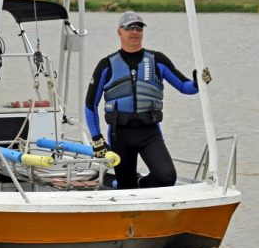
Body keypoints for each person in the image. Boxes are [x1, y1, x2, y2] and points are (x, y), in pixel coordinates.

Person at [84, 11, 211, 189]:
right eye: (129, 28)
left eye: (138, 27)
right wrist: (97, 139)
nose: (134, 32)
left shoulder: (157, 60)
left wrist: (199, 82)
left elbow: (185, 87)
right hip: (119, 134)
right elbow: (90, 104)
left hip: (149, 133)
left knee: (166, 177)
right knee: (125, 188)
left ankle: (141, 182)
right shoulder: (106, 65)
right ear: (119, 32)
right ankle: (127, 187)